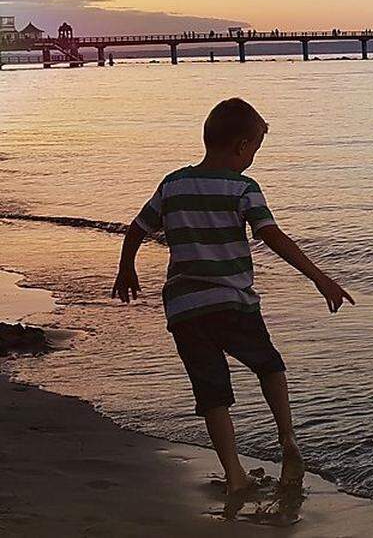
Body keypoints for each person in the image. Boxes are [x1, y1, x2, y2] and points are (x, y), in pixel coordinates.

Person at [110, 98, 354, 496]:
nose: (254, 157)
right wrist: (320, 277)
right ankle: (287, 438)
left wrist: (126, 269)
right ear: (242, 146)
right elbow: (271, 236)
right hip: (232, 302)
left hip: (185, 309)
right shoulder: (243, 188)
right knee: (270, 365)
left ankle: (234, 472)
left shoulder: (173, 183)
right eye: (256, 148)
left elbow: (136, 228)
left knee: (212, 393)